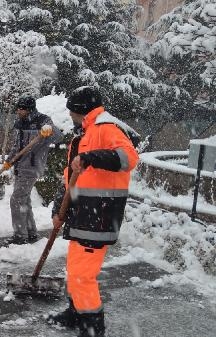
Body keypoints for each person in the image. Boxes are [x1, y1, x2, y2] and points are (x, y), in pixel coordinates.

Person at [46, 86, 139, 337]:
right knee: (75, 267)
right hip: (82, 214)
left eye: (72, 111)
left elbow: (129, 158)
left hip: (100, 214)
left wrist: (91, 158)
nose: (70, 116)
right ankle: (76, 312)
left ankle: (93, 327)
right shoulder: (83, 135)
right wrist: (59, 209)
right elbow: (70, 180)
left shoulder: (106, 128)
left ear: (79, 110)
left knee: (82, 275)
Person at [3, 96, 63, 245]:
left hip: (32, 167)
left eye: (21, 108)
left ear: (29, 109)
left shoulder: (43, 120)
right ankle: (31, 233)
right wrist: (9, 161)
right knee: (24, 200)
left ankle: (19, 236)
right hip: (20, 167)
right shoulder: (21, 123)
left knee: (16, 200)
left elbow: (58, 136)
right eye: (18, 108)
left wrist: (50, 131)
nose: (18, 111)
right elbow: (17, 146)